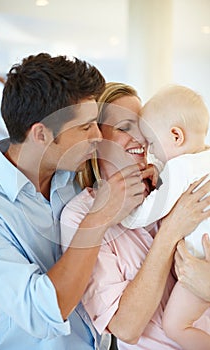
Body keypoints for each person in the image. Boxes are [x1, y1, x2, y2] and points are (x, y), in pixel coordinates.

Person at [0, 54, 147, 350]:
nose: (98, 136)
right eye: (85, 128)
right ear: (41, 134)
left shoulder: (75, 176)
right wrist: (97, 218)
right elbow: (43, 313)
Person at [60, 82, 210, 349]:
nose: (141, 139)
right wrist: (171, 229)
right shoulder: (80, 215)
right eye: (124, 128)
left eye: (143, 128)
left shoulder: (171, 183)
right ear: (96, 139)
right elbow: (125, 328)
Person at [121, 85, 210, 349]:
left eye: (151, 143)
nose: (149, 152)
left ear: (175, 135)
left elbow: (146, 214)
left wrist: (122, 214)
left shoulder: (179, 168)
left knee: (176, 326)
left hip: (200, 258)